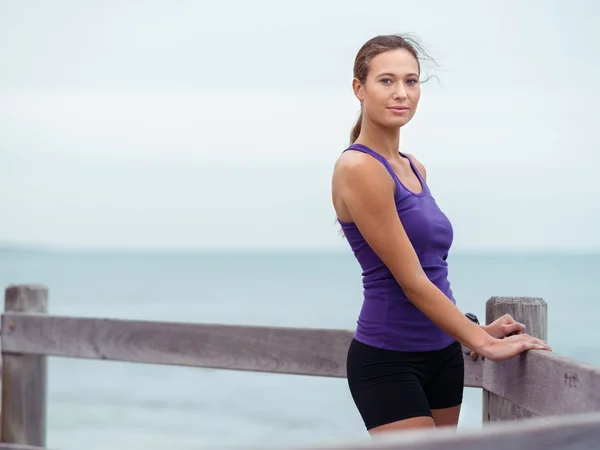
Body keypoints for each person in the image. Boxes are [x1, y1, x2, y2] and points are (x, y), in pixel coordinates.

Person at [330, 34, 552, 435]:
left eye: (411, 81)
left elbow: (432, 270)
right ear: (358, 88)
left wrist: (471, 333)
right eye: (387, 81)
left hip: (443, 356)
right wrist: (484, 345)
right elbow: (411, 282)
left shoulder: (414, 167)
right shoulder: (358, 168)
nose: (401, 93)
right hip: (388, 361)